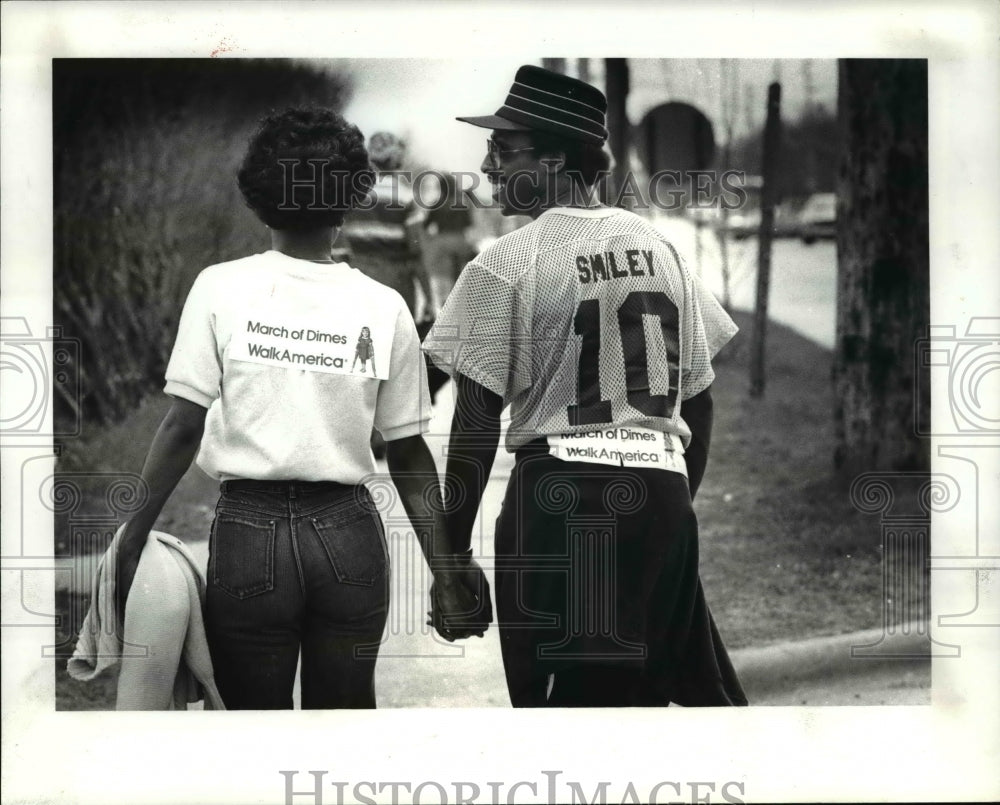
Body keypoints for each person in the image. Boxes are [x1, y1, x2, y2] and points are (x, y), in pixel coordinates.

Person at [114, 107, 485, 710]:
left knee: (251, 731)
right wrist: (446, 571)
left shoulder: (219, 287)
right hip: (348, 535)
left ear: (258, 195)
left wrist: (132, 536)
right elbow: (410, 454)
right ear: (352, 197)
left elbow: (182, 426)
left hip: (247, 533)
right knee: (343, 724)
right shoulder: (383, 305)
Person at [423, 65, 748, 707]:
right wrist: (672, 495)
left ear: (552, 161)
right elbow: (700, 398)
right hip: (660, 493)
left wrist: (452, 559)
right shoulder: (662, 246)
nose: (487, 165)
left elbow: (475, 422)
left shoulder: (506, 261)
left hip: (561, 500)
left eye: (503, 149)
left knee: (566, 720)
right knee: (648, 707)